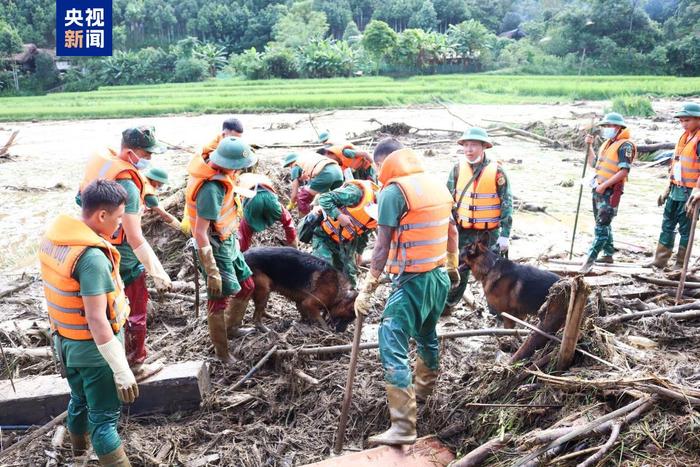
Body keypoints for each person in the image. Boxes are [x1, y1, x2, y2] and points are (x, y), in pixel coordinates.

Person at [353, 138, 459, 446]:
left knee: (391, 341)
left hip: (411, 281)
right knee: (427, 334)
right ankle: (423, 394)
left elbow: (382, 246)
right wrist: (451, 265)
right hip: (438, 277)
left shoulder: (393, 191)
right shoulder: (435, 183)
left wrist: (368, 287)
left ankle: (403, 425)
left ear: (381, 163)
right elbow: (452, 230)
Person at [40, 180, 139, 465]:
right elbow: (96, 318)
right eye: (119, 217)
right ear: (102, 216)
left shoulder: (57, 238)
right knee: (105, 420)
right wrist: (120, 368)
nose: (121, 225)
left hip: (65, 343)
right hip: (94, 352)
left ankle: (78, 453)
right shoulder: (92, 258)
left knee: (79, 400)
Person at [78, 126, 171, 374]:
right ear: (131, 153)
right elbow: (134, 235)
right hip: (123, 256)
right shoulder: (127, 184)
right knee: (134, 307)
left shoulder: (105, 165)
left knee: (106, 308)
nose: (150, 159)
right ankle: (136, 364)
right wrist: (157, 271)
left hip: (97, 242)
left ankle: (112, 360)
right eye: (147, 154)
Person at [185, 137, 258, 363]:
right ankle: (222, 352)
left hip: (228, 241)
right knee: (218, 299)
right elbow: (199, 232)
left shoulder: (224, 173)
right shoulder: (211, 189)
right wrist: (212, 270)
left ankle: (232, 327)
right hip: (213, 248)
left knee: (247, 285)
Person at [445, 127, 512, 312]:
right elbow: (447, 198)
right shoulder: (457, 169)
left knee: (494, 274)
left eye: (473, 145)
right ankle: (448, 305)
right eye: (466, 145)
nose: (469, 149)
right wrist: (449, 223)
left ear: (484, 147)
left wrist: (505, 235)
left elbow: (507, 203)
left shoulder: (498, 172)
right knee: (458, 269)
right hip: (463, 231)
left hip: (488, 233)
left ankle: (497, 311)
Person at [580, 113, 635, 273]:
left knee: (601, 226)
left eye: (607, 126)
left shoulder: (626, 146)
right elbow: (594, 163)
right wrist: (589, 146)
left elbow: (624, 171)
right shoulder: (607, 144)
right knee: (603, 222)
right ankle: (609, 253)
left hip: (610, 191)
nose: (605, 129)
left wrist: (604, 186)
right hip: (598, 188)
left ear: (617, 127)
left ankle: (589, 260)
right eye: (604, 126)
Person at [651, 102, 700, 269]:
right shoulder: (684, 138)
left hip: (690, 193)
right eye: (681, 121)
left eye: (687, 120)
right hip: (675, 189)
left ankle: (680, 265)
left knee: (686, 229)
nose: (684, 124)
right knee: (667, 224)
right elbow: (677, 165)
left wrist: (698, 189)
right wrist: (667, 187)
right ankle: (659, 261)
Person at [311, 179, 379, 286]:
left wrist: (359, 252)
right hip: (324, 235)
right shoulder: (356, 193)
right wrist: (339, 215)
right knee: (322, 269)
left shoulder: (380, 215)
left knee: (350, 278)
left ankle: (347, 300)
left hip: (346, 244)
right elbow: (324, 198)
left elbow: (365, 232)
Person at [235, 172, 298, 252]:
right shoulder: (262, 177)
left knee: (245, 230)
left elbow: (238, 200)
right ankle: (294, 246)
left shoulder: (240, 180)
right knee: (287, 221)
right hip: (270, 198)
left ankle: (244, 253)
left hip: (252, 201)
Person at [143, 166, 188, 234]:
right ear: (155, 180)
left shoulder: (142, 180)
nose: (162, 186)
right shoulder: (150, 196)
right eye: (161, 183)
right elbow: (165, 216)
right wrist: (181, 228)